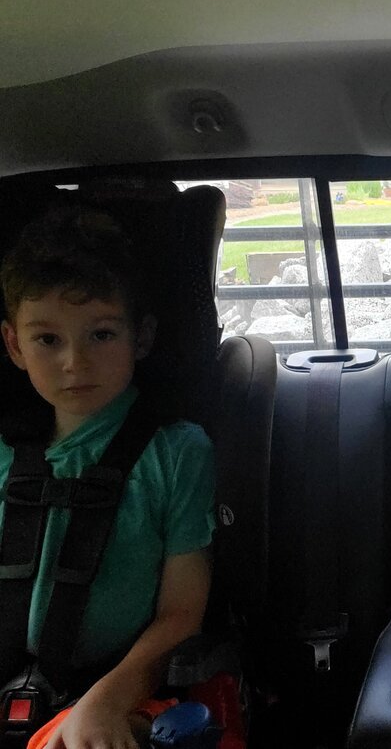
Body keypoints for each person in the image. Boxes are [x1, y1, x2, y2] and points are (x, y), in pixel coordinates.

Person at [0, 204, 216, 749]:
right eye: (48, 339)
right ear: (14, 345)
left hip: (123, 689)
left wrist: (105, 701)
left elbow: (181, 613)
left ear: (140, 338)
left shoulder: (176, 452)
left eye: (100, 335)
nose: (75, 362)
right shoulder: (5, 452)